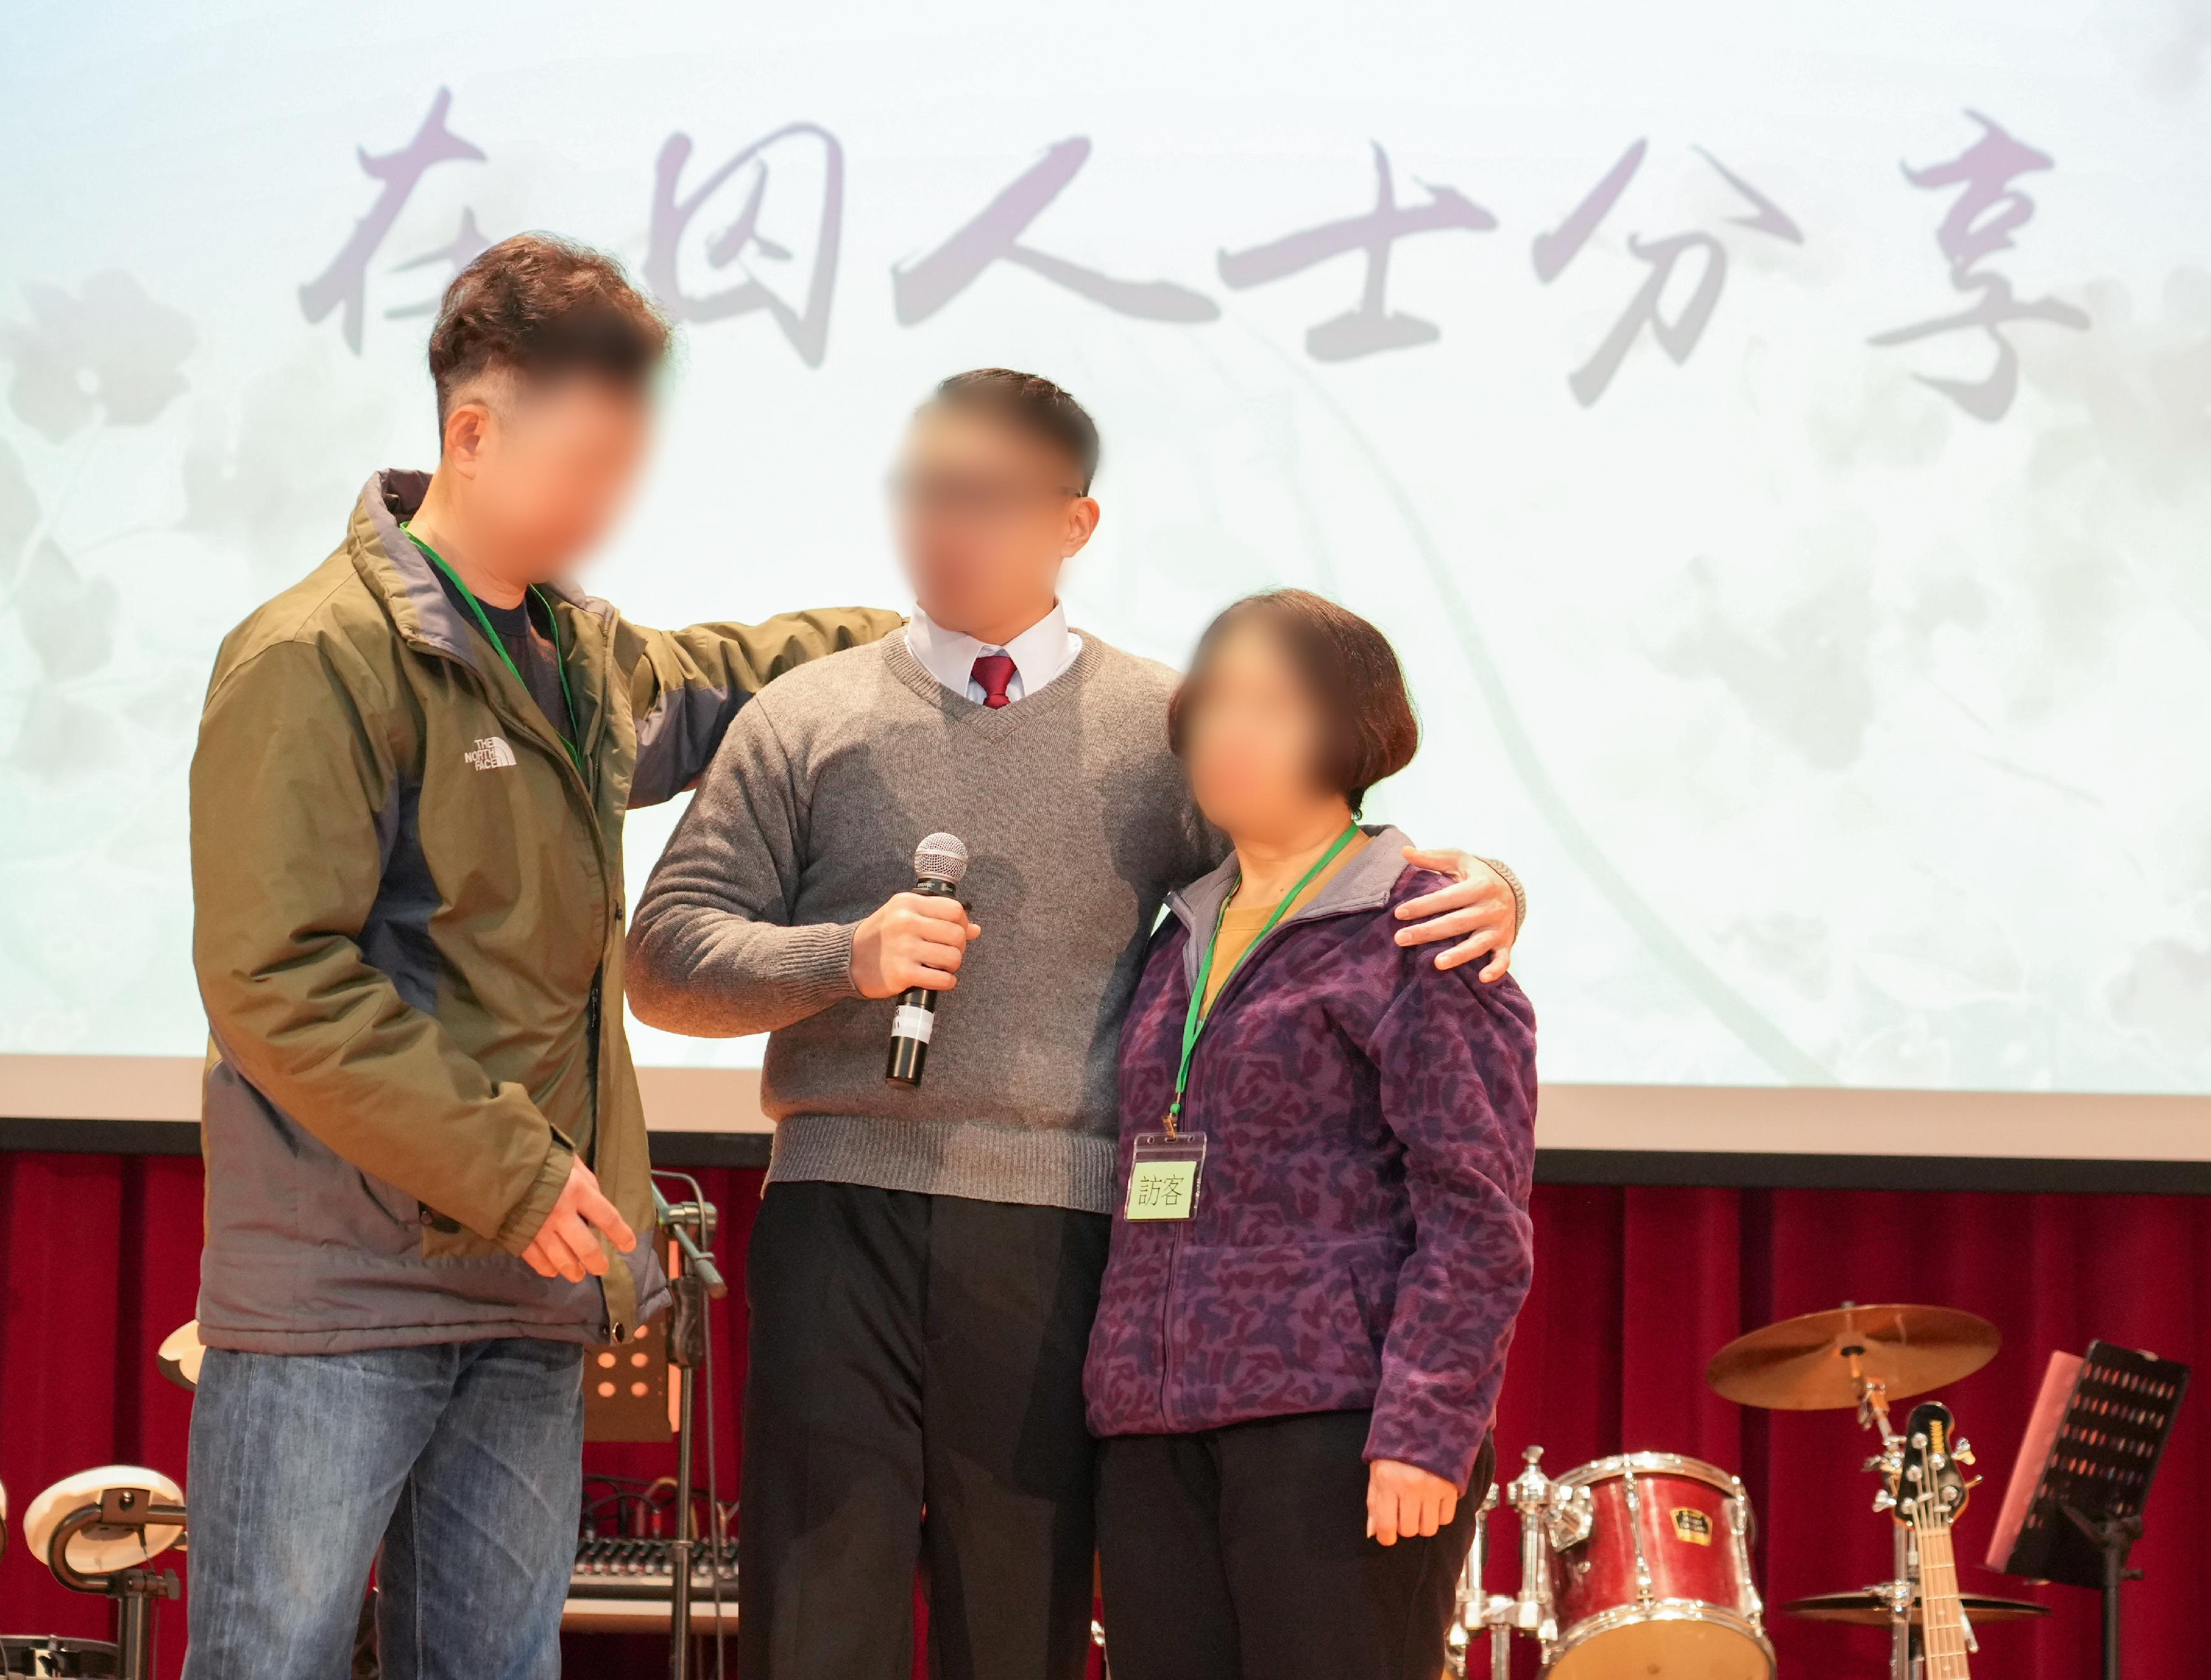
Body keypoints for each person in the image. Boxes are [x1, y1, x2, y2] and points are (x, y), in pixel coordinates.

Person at [623, 369, 1526, 1680]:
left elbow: (1317, 860)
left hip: (1062, 1229)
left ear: (1074, 525)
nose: (945, 526)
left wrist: (1495, 885)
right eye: (924, 490)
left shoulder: (1166, 728)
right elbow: (664, 959)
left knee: (1019, 1622)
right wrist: (844, 953)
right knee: (816, 1619)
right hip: (836, 1206)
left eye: (983, 497)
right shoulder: (803, 714)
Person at [183, 234, 899, 1680]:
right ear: (469, 429)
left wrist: (929, 635)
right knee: (274, 1659)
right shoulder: (314, 656)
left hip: (531, 1285)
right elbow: (274, 978)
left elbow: (741, 678)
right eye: (580, 465)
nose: (604, 504)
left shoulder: (578, 653)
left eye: (625, 468)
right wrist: (517, 1172)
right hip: (344, 1295)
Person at [1082, 589, 1537, 1680]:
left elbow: (1476, 1214)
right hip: (1151, 1430)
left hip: (1339, 1424)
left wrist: (1426, 1430)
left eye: (1273, 706)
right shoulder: (1176, 928)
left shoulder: (1420, 925)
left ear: (1351, 730)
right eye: (1217, 704)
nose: (1231, 734)